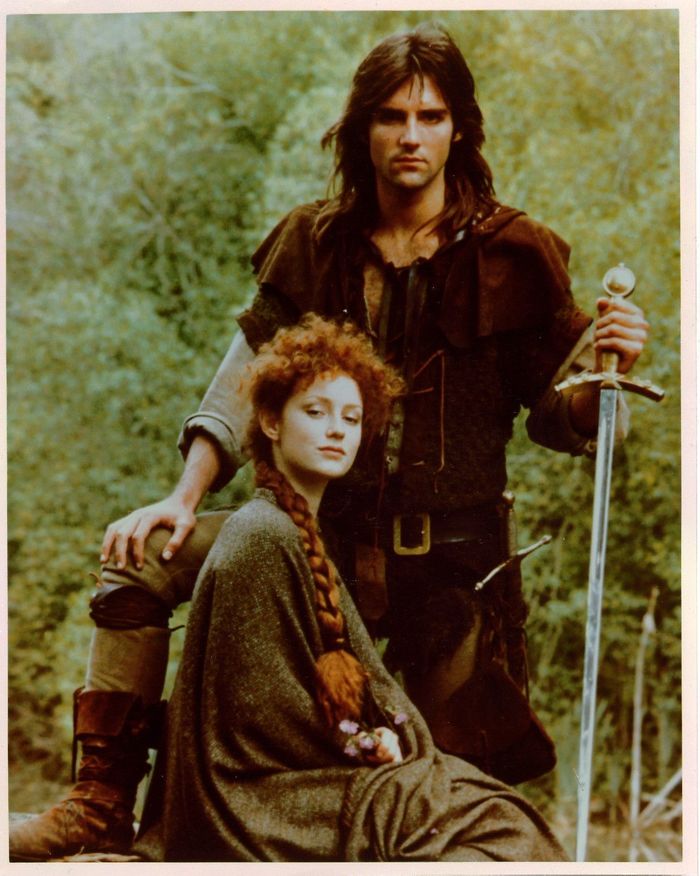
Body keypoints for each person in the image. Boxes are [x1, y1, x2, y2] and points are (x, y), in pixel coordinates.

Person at [10, 22, 649, 861]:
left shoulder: (513, 254)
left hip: (451, 571)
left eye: (430, 116)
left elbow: (561, 419)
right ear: (362, 129)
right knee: (139, 561)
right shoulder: (314, 243)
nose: (410, 136)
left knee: (458, 798)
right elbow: (242, 384)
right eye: (391, 116)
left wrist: (604, 380)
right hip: (310, 545)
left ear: (459, 129)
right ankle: (100, 804)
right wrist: (184, 497)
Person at [128, 315, 567, 862]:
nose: (337, 430)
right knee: (495, 825)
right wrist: (360, 744)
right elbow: (257, 719)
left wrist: (387, 735)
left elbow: (367, 682)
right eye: (315, 412)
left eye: (352, 418)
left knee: (489, 811)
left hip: (304, 777)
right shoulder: (260, 534)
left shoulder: (300, 533)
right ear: (271, 422)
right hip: (257, 796)